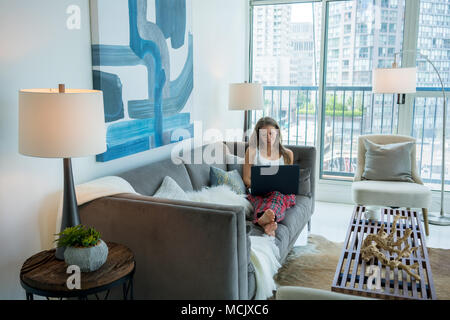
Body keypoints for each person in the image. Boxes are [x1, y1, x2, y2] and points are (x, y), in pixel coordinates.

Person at [243, 117, 296, 237]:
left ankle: (263, 220)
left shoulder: (287, 154)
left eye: (271, 133)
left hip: (281, 193)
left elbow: (288, 179)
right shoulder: (251, 152)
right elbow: (246, 179)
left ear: (277, 133)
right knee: (262, 201)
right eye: (263, 135)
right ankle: (267, 224)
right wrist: (261, 185)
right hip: (259, 192)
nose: (268, 138)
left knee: (277, 197)